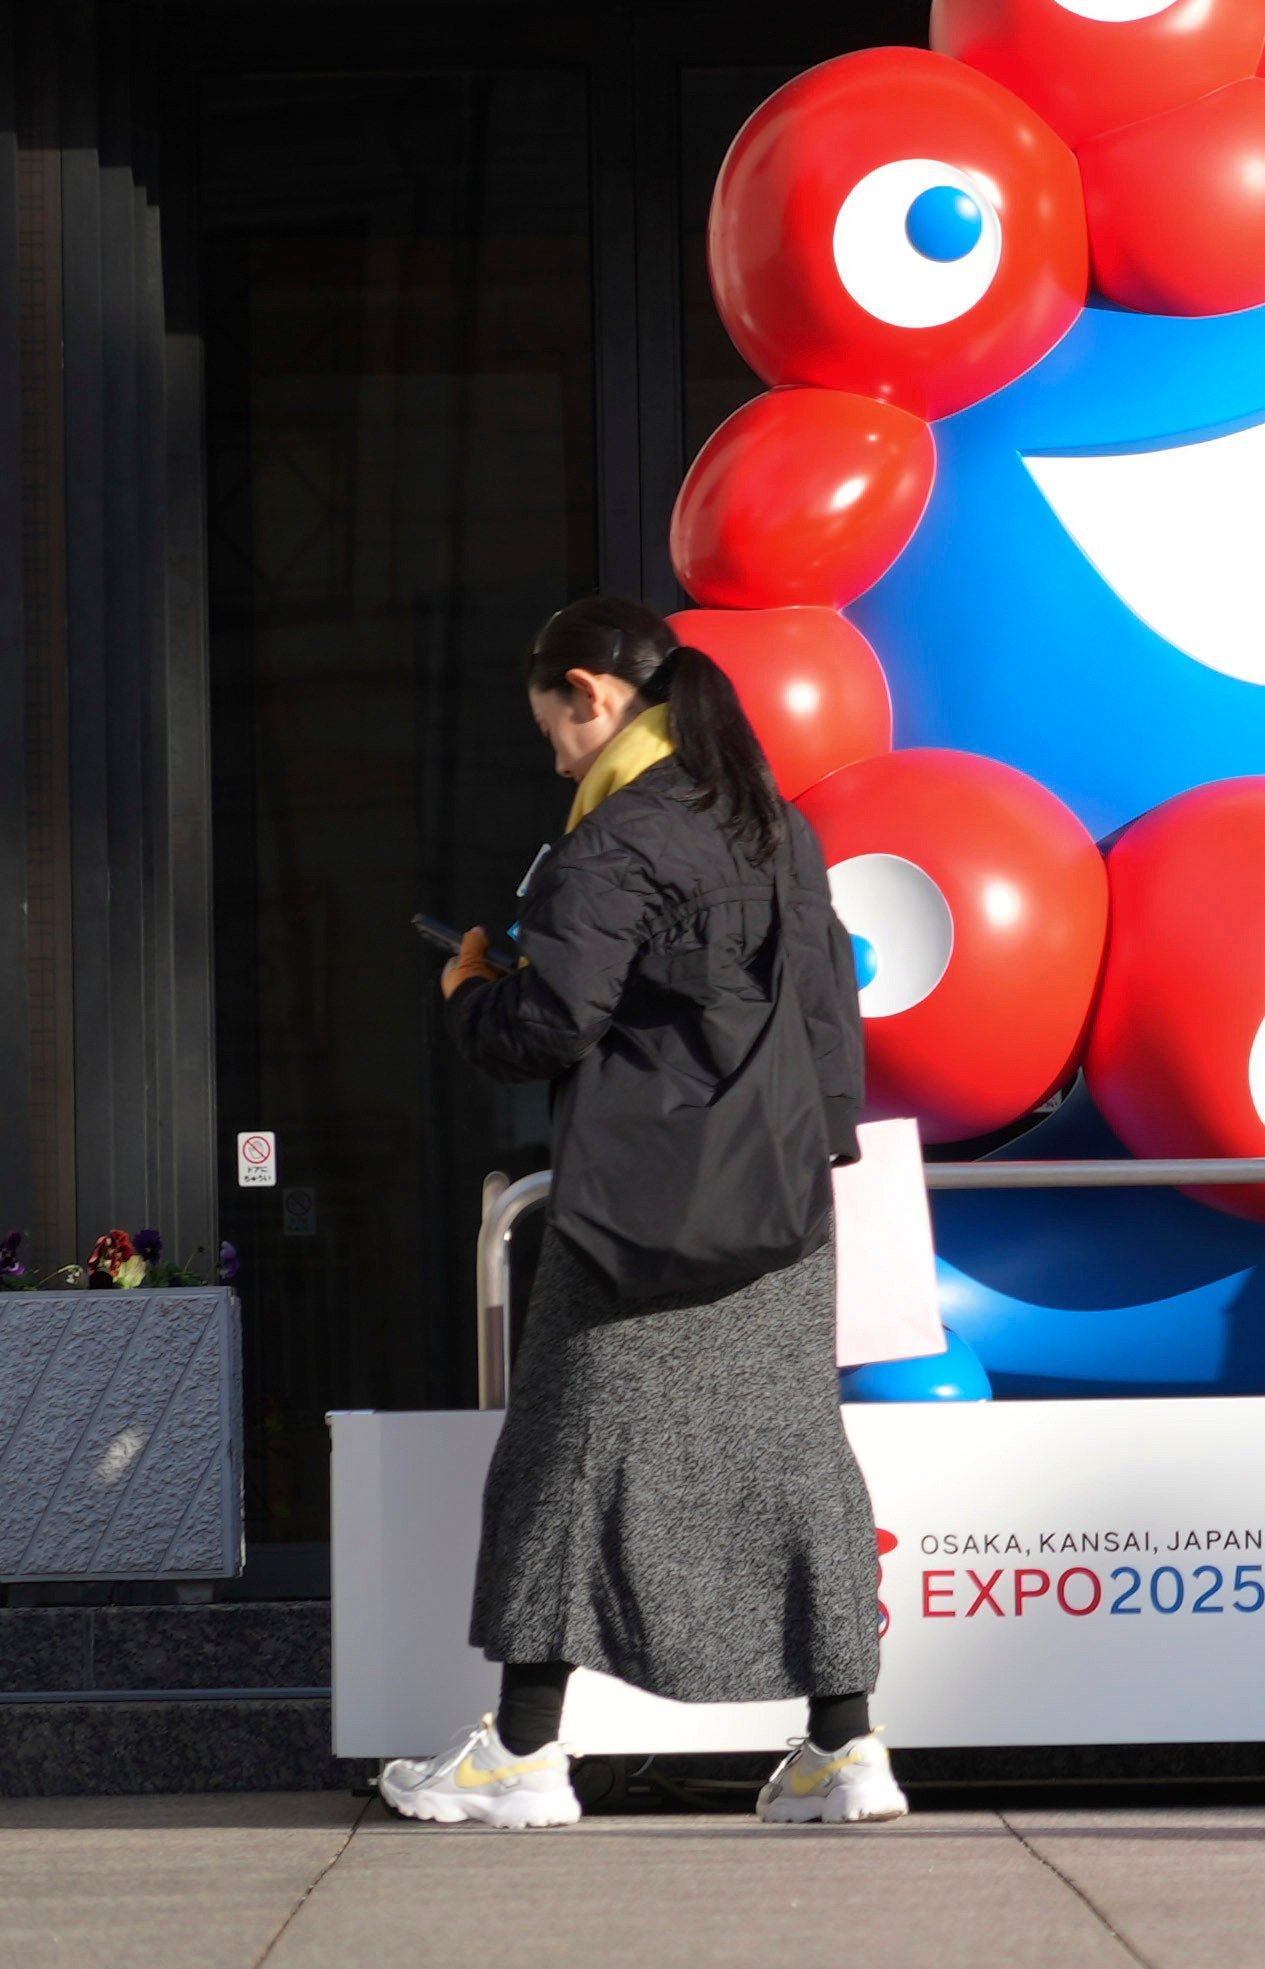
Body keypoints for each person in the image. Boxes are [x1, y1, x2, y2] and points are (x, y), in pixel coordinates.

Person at [378, 594, 905, 1830]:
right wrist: (810, 1164)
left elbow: (548, 1024)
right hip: (777, 1205)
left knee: (561, 1459)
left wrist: (466, 992)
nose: (555, 752)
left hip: (639, 1214)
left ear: (592, 694)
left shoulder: (610, 846)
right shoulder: (778, 827)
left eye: (554, 725)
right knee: (795, 1465)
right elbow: (834, 1024)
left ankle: (520, 1755)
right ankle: (846, 1748)